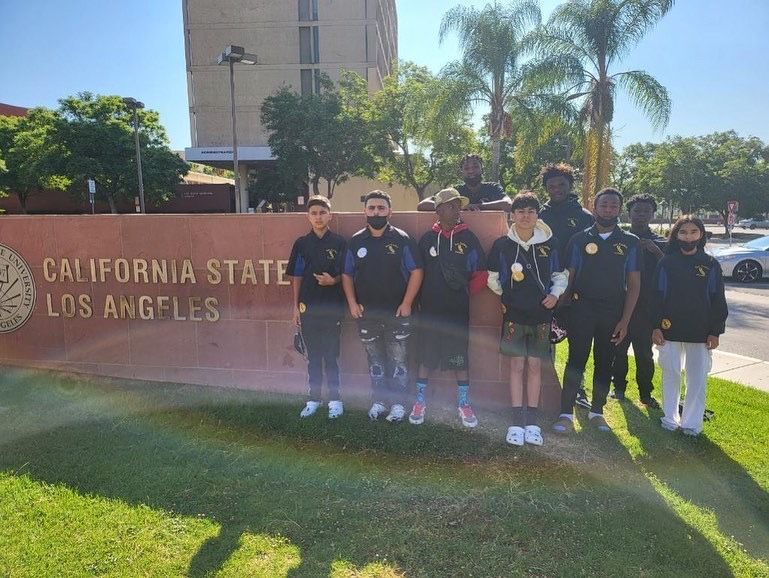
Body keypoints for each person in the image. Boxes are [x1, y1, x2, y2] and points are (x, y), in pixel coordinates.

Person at [554, 187, 642, 433]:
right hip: (581, 309)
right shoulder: (579, 239)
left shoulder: (630, 242)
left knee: (605, 361)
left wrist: (625, 321)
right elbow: (569, 277)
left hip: (613, 311)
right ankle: (565, 414)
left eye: (613, 206)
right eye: (604, 205)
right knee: (576, 361)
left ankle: (597, 412)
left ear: (619, 209)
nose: (608, 209)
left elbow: (634, 285)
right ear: (595, 207)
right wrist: (563, 308)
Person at [488, 192, 568, 446]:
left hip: (541, 315)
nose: (525, 216)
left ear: (537, 215)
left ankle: (532, 422)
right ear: (512, 215)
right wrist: (508, 296)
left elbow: (560, 275)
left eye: (531, 212)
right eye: (520, 211)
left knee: (535, 366)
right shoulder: (502, 245)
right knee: (516, 365)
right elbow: (492, 277)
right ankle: (516, 421)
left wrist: (554, 296)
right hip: (513, 315)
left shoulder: (551, 244)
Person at [342, 190, 424, 422]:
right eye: (372, 208)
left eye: (381, 208)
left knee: (398, 361)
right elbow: (347, 274)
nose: (376, 212)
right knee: (375, 361)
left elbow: (417, 271)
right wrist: (352, 302)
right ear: (364, 211)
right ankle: (379, 401)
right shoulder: (356, 241)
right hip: (367, 314)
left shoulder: (402, 239)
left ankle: (398, 404)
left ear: (390, 211)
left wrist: (407, 303)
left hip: (398, 313)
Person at [409, 188, 488, 428]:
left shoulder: (469, 238)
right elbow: (416, 273)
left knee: (459, 358)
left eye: (458, 206)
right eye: (450, 206)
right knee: (426, 356)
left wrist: (461, 294)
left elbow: (481, 275)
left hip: (456, 311)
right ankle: (419, 401)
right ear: (438, 210)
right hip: (430, 311)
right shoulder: (426, 239)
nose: (456, 210)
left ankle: (464, 403)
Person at [651, 215, 728, 436]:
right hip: (669, 329)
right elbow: (656, 297)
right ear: (676, 235)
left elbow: (718, 300)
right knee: (671, 373)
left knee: (697, 378)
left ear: (701, 234)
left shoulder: (710, 264)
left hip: (701, 332)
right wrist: (656, 326)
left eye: (693, 232)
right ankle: (670, 419)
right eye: (683, 232)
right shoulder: (667, 263)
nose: (688, 237)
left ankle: (692, 424)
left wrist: (715, 331)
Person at [538, 163, 594, 409]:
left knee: (577, 342)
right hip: (546, 287)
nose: (556, 189)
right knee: (545, 338)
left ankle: (577, 389)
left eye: (561, 184)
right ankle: (543, 387)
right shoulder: (539, 214)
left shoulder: (584, 216)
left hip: (579, 288)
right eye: (551, 185)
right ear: (546, 188)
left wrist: (571, 290)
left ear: (571, 185)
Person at [286, 195, 348, 419]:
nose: (318, 217)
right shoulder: (302, 244)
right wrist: (295, 307)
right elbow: (297, 277)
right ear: (308, 217)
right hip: (308, 308)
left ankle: (335, 399)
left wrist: (334, 281)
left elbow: (348, 274)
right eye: (314, 213)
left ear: (330, 215)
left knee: (331, 356)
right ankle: (313, 399)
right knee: (313, 356)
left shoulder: (340, 243)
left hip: (332, 308)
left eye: (322, 212)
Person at [611, 194, 666, 408]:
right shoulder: (620, 238)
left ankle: (645, 393)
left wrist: (656, 251)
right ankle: (618, 389)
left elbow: (670, 271)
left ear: (652, 214)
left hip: (646, 308)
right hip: (620, 304)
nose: (641, 215)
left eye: (646, 211)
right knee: (619, 349)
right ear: (629, 213)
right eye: (637, 211)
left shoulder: (661, 241)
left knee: (644, 353)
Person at [417, 154, 512, 212]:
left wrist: (477, 206)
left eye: (475, 167)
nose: (471, 171)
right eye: (466, 168)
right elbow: (422, 205)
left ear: (482, 169)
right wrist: (460, 207)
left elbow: (508, 204)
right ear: (462, 172)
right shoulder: (455, 191)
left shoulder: (493, 188)